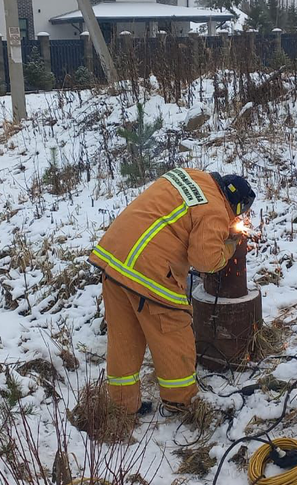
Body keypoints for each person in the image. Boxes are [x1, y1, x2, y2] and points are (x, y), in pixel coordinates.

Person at [89, 168, 256, 414]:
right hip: (147, 271)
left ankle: (122, 407)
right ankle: (181, 402)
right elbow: (205, 261)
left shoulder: (190, 176)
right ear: (236, 205)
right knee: (173, 333)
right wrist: (229, 244)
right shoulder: (215, 209)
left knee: (125, 337)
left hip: (113, 258)